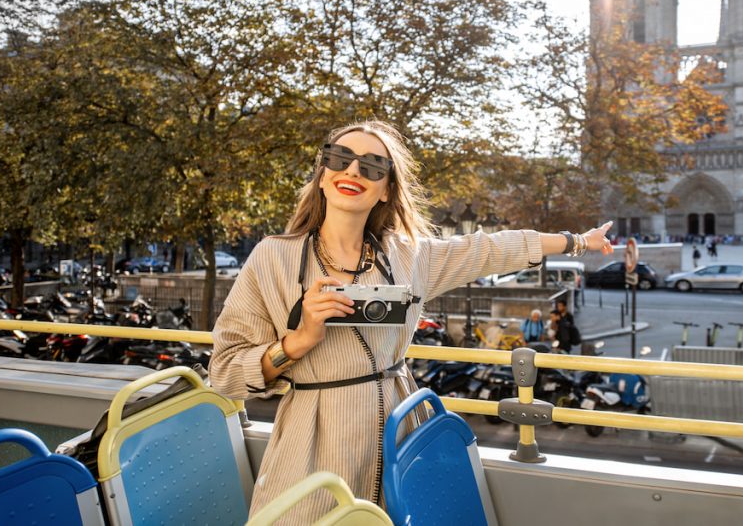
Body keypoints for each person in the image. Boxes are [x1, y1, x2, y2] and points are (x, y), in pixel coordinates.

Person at [209, 120, 614, 523]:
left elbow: (490, 248)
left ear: (386, 189)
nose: (352, 171)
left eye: (371, 166)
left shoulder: (408, 257)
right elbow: (225, 373)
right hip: (314, 442)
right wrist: (296, 343)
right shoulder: (272, 257)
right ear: (322, 174)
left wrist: (577, 241)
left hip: (399, 434)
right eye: (340, 158)